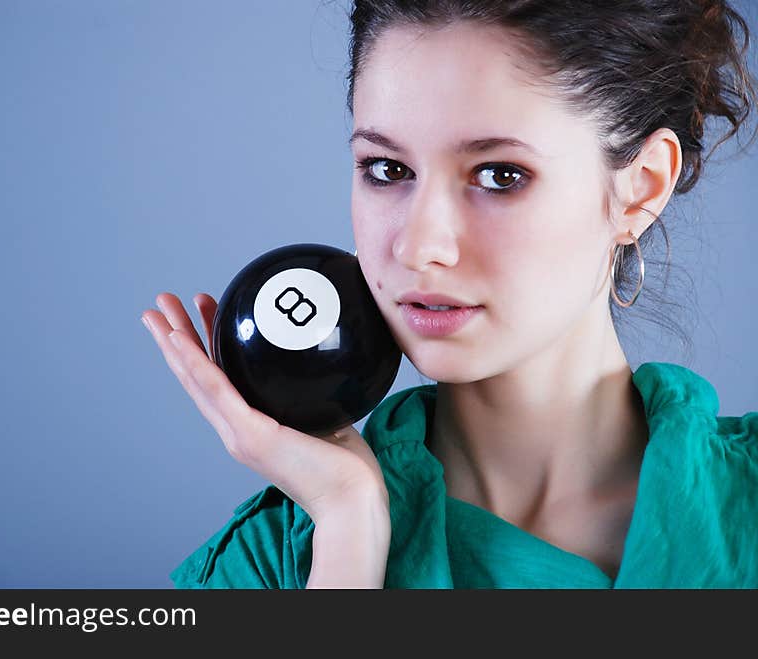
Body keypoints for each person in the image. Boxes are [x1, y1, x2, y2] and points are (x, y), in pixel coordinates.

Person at [141, 0, 758, 588]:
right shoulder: (272, 561)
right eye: (387, 170)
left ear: (642, 188)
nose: (418, 246)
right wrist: (349, 530)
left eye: (499, 176)